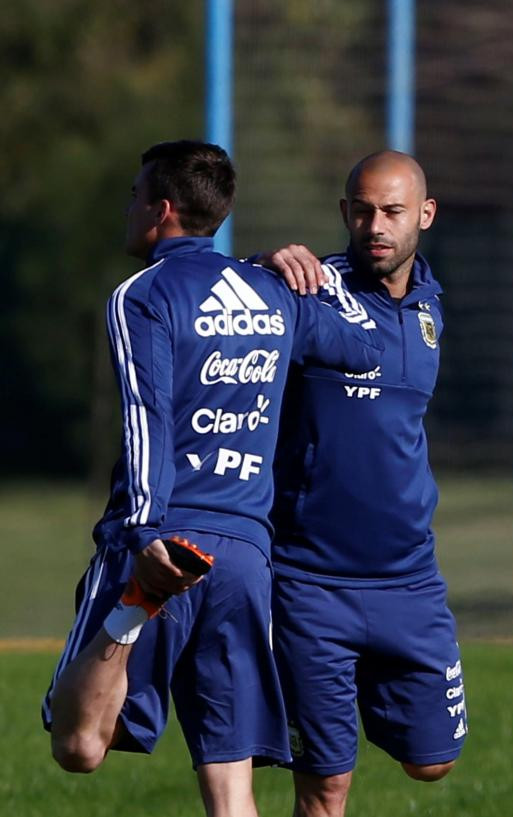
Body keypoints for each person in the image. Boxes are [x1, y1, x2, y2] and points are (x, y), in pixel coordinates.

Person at [43, 140, 382, 817]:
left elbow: (146, 417)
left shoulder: (140, 296)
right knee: (231, 787)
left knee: (78, 743)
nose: (128, 207)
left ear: (162, 209)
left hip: (164, 538)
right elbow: (363, 347)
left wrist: (144, 535)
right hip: (245, 558)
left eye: (134, 195)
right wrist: (299, 271)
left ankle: (130, 609)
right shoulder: (268, 292)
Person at [255, 150, 465, 817]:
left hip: (411, 581)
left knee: (432, 760)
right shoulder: (310, 289)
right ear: (346, 212)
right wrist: (262, 263)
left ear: (424, 215)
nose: (377, 225)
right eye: (364, 209)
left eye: (394, 211)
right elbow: (225, 304)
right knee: (325, 786)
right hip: (310, 583)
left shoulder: (432, 304)